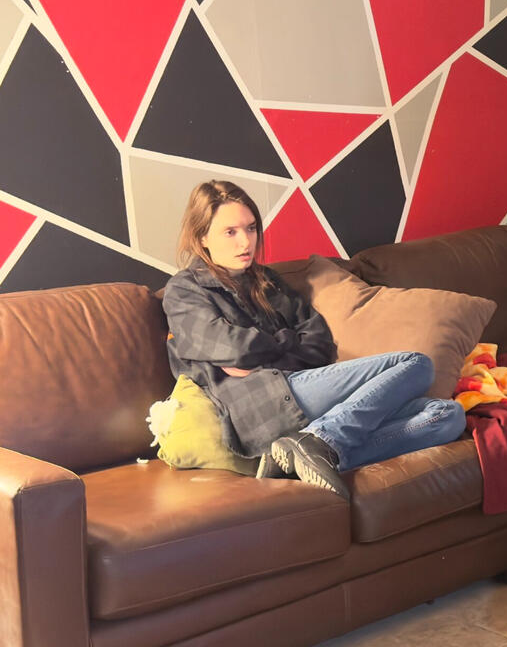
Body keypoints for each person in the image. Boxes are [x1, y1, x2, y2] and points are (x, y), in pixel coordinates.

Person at [162, 180, 465, 498]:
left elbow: (320, 344)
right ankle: (320, 441)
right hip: (262, 402)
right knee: (415, 364)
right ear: (202, 237)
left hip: (305, 389)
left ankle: (309, 452)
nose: (245, 242)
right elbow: (230, 346)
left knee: (446, 416)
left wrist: (267, 350)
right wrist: (287, 340)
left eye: (251, 229)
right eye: (231, 232)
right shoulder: (185, 290)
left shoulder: (268, 282)